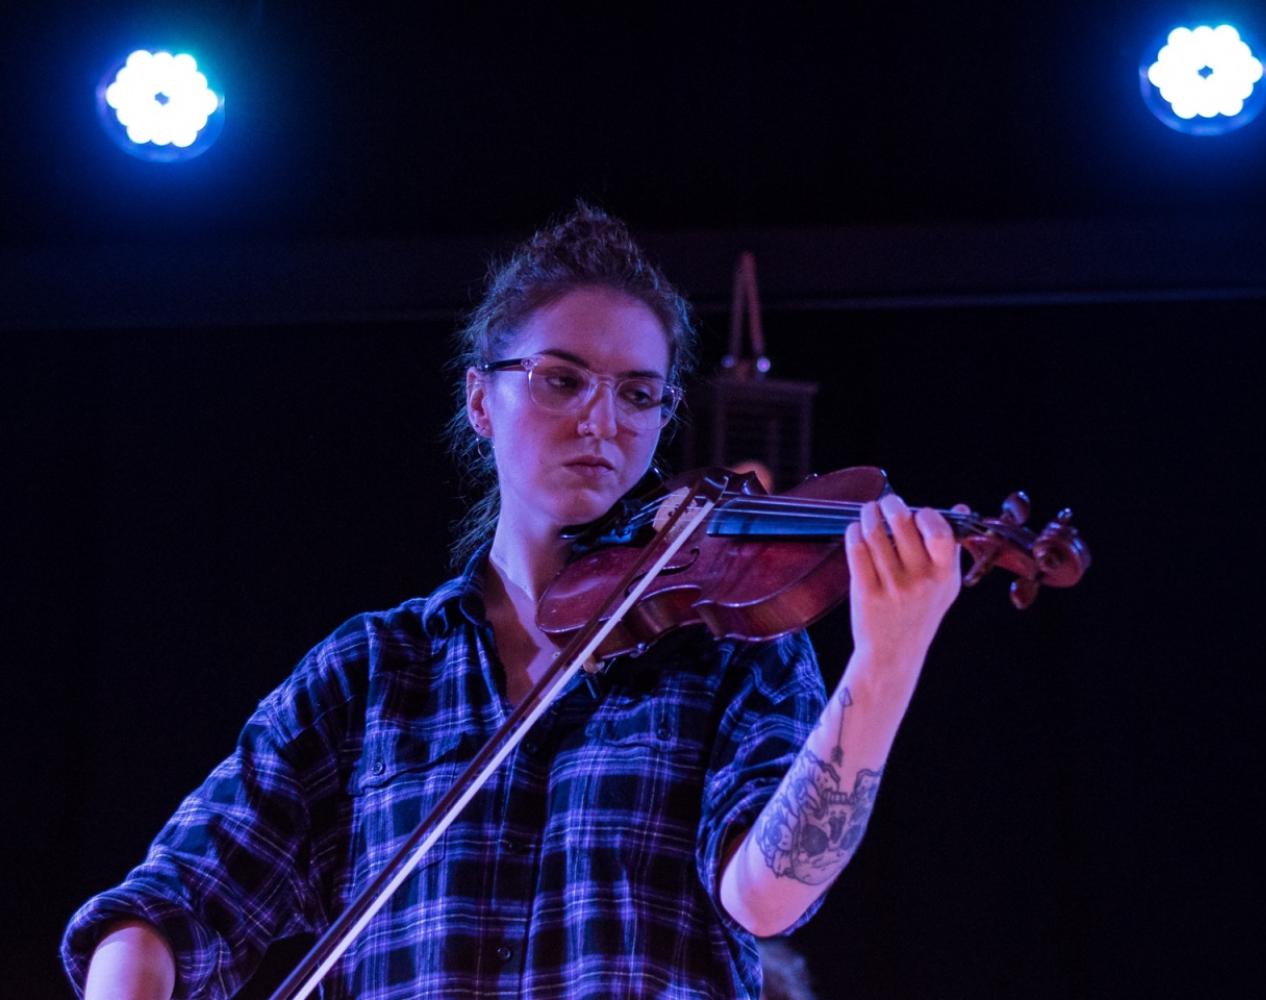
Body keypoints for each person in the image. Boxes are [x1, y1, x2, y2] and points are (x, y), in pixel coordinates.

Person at [62, 205, 964, 999]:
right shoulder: (370, 674)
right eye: (561, 379)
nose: (602, 421)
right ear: (480, 399)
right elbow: (166, 907)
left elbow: (766, 895)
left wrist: (886, 660)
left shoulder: (731, 645)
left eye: (638, 395)